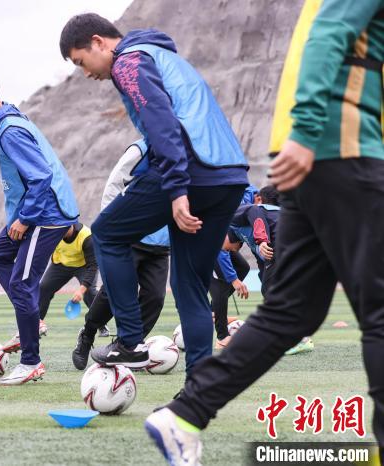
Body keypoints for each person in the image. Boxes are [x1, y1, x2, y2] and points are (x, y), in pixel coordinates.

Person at [144, 1, 384, 463]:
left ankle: (186, 414)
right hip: (340, 148)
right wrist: (308, 131)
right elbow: (327, 35)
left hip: (318, 154)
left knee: (291, 311)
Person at [59, 14, 248, 372]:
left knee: (107, 233)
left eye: (81, 62)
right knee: (190, 286)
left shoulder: (128, 61)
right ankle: (199, 390)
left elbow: (161, 121)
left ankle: (130, 342)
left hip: (191, 170)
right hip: (228, 176)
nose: (84, 73)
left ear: (98, 42)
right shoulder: (162, 56)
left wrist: (177, 190)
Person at [0, 71, 79, 385]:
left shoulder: (10, 130)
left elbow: (41, 176)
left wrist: (25, 218)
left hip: (44, 216)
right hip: (36, 212)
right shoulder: (8, 122)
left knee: (22, 285)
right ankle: (31, 322)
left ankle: (30, 362)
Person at [73, 139, 170, 370]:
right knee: (112, 294)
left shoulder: (187, 153)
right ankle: (87, 334)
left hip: (161, 245)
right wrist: (113, 228)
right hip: (130, 237)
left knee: (155, 298)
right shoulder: (142, 148)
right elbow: (114, 185)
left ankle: (127, 346)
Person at [210, 186, 258, 348]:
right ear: (259, 200)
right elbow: (220, 250)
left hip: (221, 243)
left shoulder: (249, 194)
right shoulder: (230, 200)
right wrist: (234, 280)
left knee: (243, 267)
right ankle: (222, 336)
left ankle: (212, 311)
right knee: (222, 284)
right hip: (209, 243)